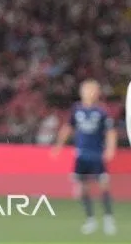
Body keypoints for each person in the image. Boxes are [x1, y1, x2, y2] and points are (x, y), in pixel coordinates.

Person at [53, 79, 118, 235]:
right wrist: (58, 145)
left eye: (92, 90)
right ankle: (90, 219)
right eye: (87, 90)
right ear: (81, 92)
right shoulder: (76, 110)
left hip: (96, 155)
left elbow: (111, 131)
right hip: (81, 155)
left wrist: (110, 148)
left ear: (97, 93)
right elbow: (68, 128)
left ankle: (108, 219)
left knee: (103, 186)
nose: (89, 93)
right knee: (83, 188)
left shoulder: (101, 112)